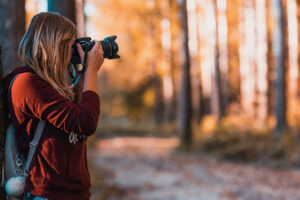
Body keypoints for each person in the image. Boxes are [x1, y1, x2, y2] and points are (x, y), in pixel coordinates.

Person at [3, 12, 103, 200]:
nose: (71, 52)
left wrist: (81, 71)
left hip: (74, 193)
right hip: (46, 193)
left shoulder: (52, 85)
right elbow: (85, 122)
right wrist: (91, 71)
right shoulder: (27, 83)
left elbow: (81, 115)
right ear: (55, 45)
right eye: (69, 45)